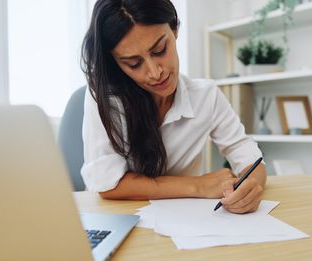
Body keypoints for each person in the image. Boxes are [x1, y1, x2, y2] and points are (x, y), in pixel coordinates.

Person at [80, 0, 266, 214]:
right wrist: (198, 185)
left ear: (175, 28)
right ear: (115, 62)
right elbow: (108, 184)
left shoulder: (206, 96)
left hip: (185, 218)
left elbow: (249, 158)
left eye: (159, 50)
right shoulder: (104, 98)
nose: (154, 72)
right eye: (134, 63)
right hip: (116, 215)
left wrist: (252, 187)